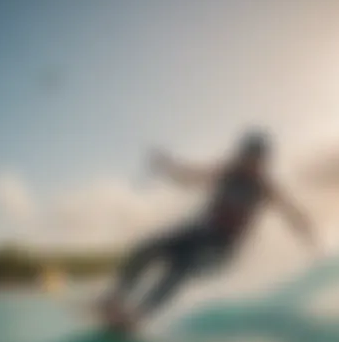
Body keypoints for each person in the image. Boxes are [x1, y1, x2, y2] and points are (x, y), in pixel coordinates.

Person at [98, 127, 318, 331]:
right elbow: (190, 178)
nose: (248, 162)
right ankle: (114, 299)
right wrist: (167, 165)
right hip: (198, 232)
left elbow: (289, 210)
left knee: (179, 268)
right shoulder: (227, 171)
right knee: (147, 249)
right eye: (245, 154)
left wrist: (305, 228)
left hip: (223, 248)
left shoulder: (264, 186)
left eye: (254, 158)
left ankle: (137, 316)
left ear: (262, 161)